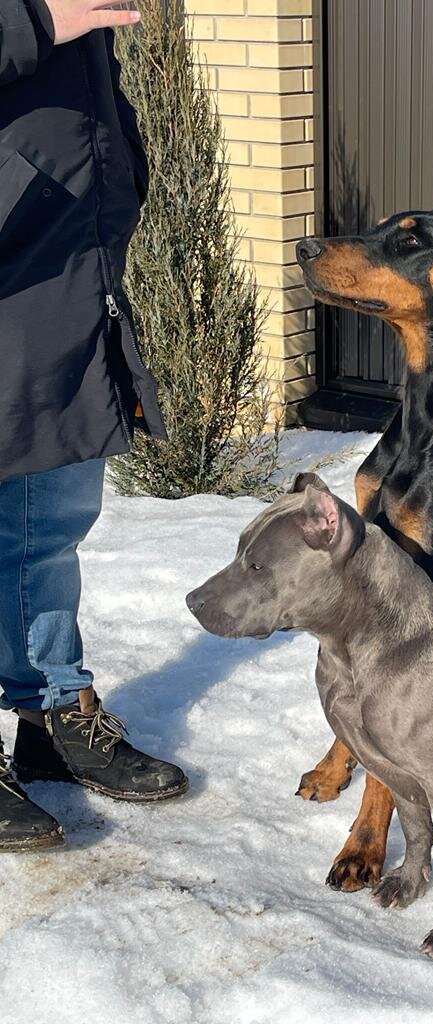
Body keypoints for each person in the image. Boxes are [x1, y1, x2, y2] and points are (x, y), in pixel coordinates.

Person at [0, 0, 187, 852]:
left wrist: (124, 168)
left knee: (51, 521)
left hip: (68, 263)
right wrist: (35, 18)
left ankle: (52, 717)